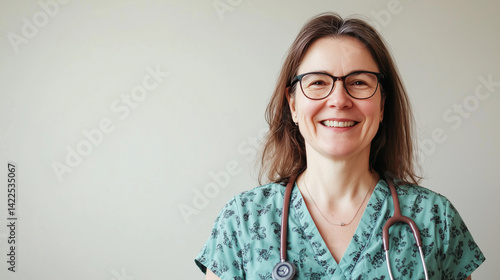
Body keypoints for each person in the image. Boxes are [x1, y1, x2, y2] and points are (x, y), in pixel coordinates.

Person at [195, 12, 485, 279]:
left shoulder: (434, 218)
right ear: (293, 105)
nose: (339, 99)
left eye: (359, 82)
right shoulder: (242, 220)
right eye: (318, 82)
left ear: (382, 104)